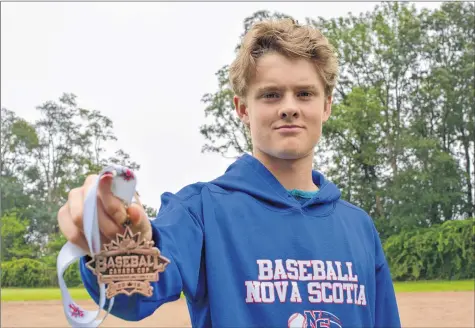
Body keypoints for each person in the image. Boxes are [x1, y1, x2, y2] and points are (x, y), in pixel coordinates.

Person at [57, 18, 401, 328]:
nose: (289, 107)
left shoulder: (358, 227)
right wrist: (116, 238)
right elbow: (136, 292)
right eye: (270, 95)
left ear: (325, 106)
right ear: (243, 109)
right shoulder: (200, 210)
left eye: (305, 93)